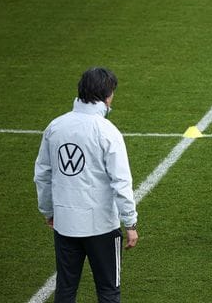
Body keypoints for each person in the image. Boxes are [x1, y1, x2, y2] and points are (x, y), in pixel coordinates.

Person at [34, 67, 139, 302]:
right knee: (108, 291)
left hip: (65, 225)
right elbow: (121, 181)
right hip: (101, 227)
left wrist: (49, 211)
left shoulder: (55, 127)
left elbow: (42, 174)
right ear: (107, 94)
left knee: (65, 290)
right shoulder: (107, 131)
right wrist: (130, 222)